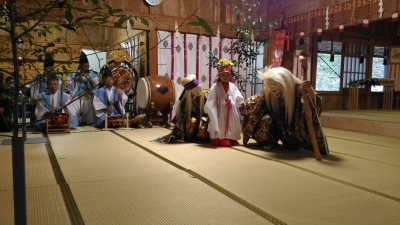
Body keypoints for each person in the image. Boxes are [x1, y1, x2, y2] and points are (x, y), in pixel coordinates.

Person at [238, 66, 329, 155]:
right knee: (266, 120)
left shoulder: (298, 90)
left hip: (292, 126)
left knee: (292, 145)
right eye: (269, 84)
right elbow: (251, 105)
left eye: (274, 84)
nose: (271, 87)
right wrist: (238, 107)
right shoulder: (268, 91)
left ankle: (291, 142)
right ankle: (268, 142)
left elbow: (315, 106)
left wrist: (310, 91)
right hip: (275, 123)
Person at [157, 74, 209, 143]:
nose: (198, 91)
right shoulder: (185, 101)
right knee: (191, 121)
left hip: (206, 120)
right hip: (195, 121)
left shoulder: (207, 95)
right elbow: (182, 117)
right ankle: (192, 137)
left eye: (199, 88)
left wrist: (204, 121)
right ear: (189, 91)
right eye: (195, 89)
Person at [204, 59, 244, 147]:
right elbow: (211, 99)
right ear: (219, 76)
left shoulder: (232, 86)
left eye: (227, 75)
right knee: (220, 123)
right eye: (223, 75)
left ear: (230, 76)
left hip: (231, 110)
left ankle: (230, 139)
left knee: (231, 123)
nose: (225, 77)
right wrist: (211, 109)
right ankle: (220, 139)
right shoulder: (215, 86)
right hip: (219, 110)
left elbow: (238, 97)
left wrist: (234, 102)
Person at [67, 51, 99, 125]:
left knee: (90, 102)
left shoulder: (93, 74)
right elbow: (70, 85)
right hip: (77, 94)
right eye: (85, 66)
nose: (86, 68)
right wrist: (75, 79)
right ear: (80, 66)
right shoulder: (74, 74)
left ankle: (90, 121)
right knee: (72, 103)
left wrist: (88, 77)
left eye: (88, 66)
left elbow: (95, 85)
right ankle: (75, 121)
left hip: (88, 94)